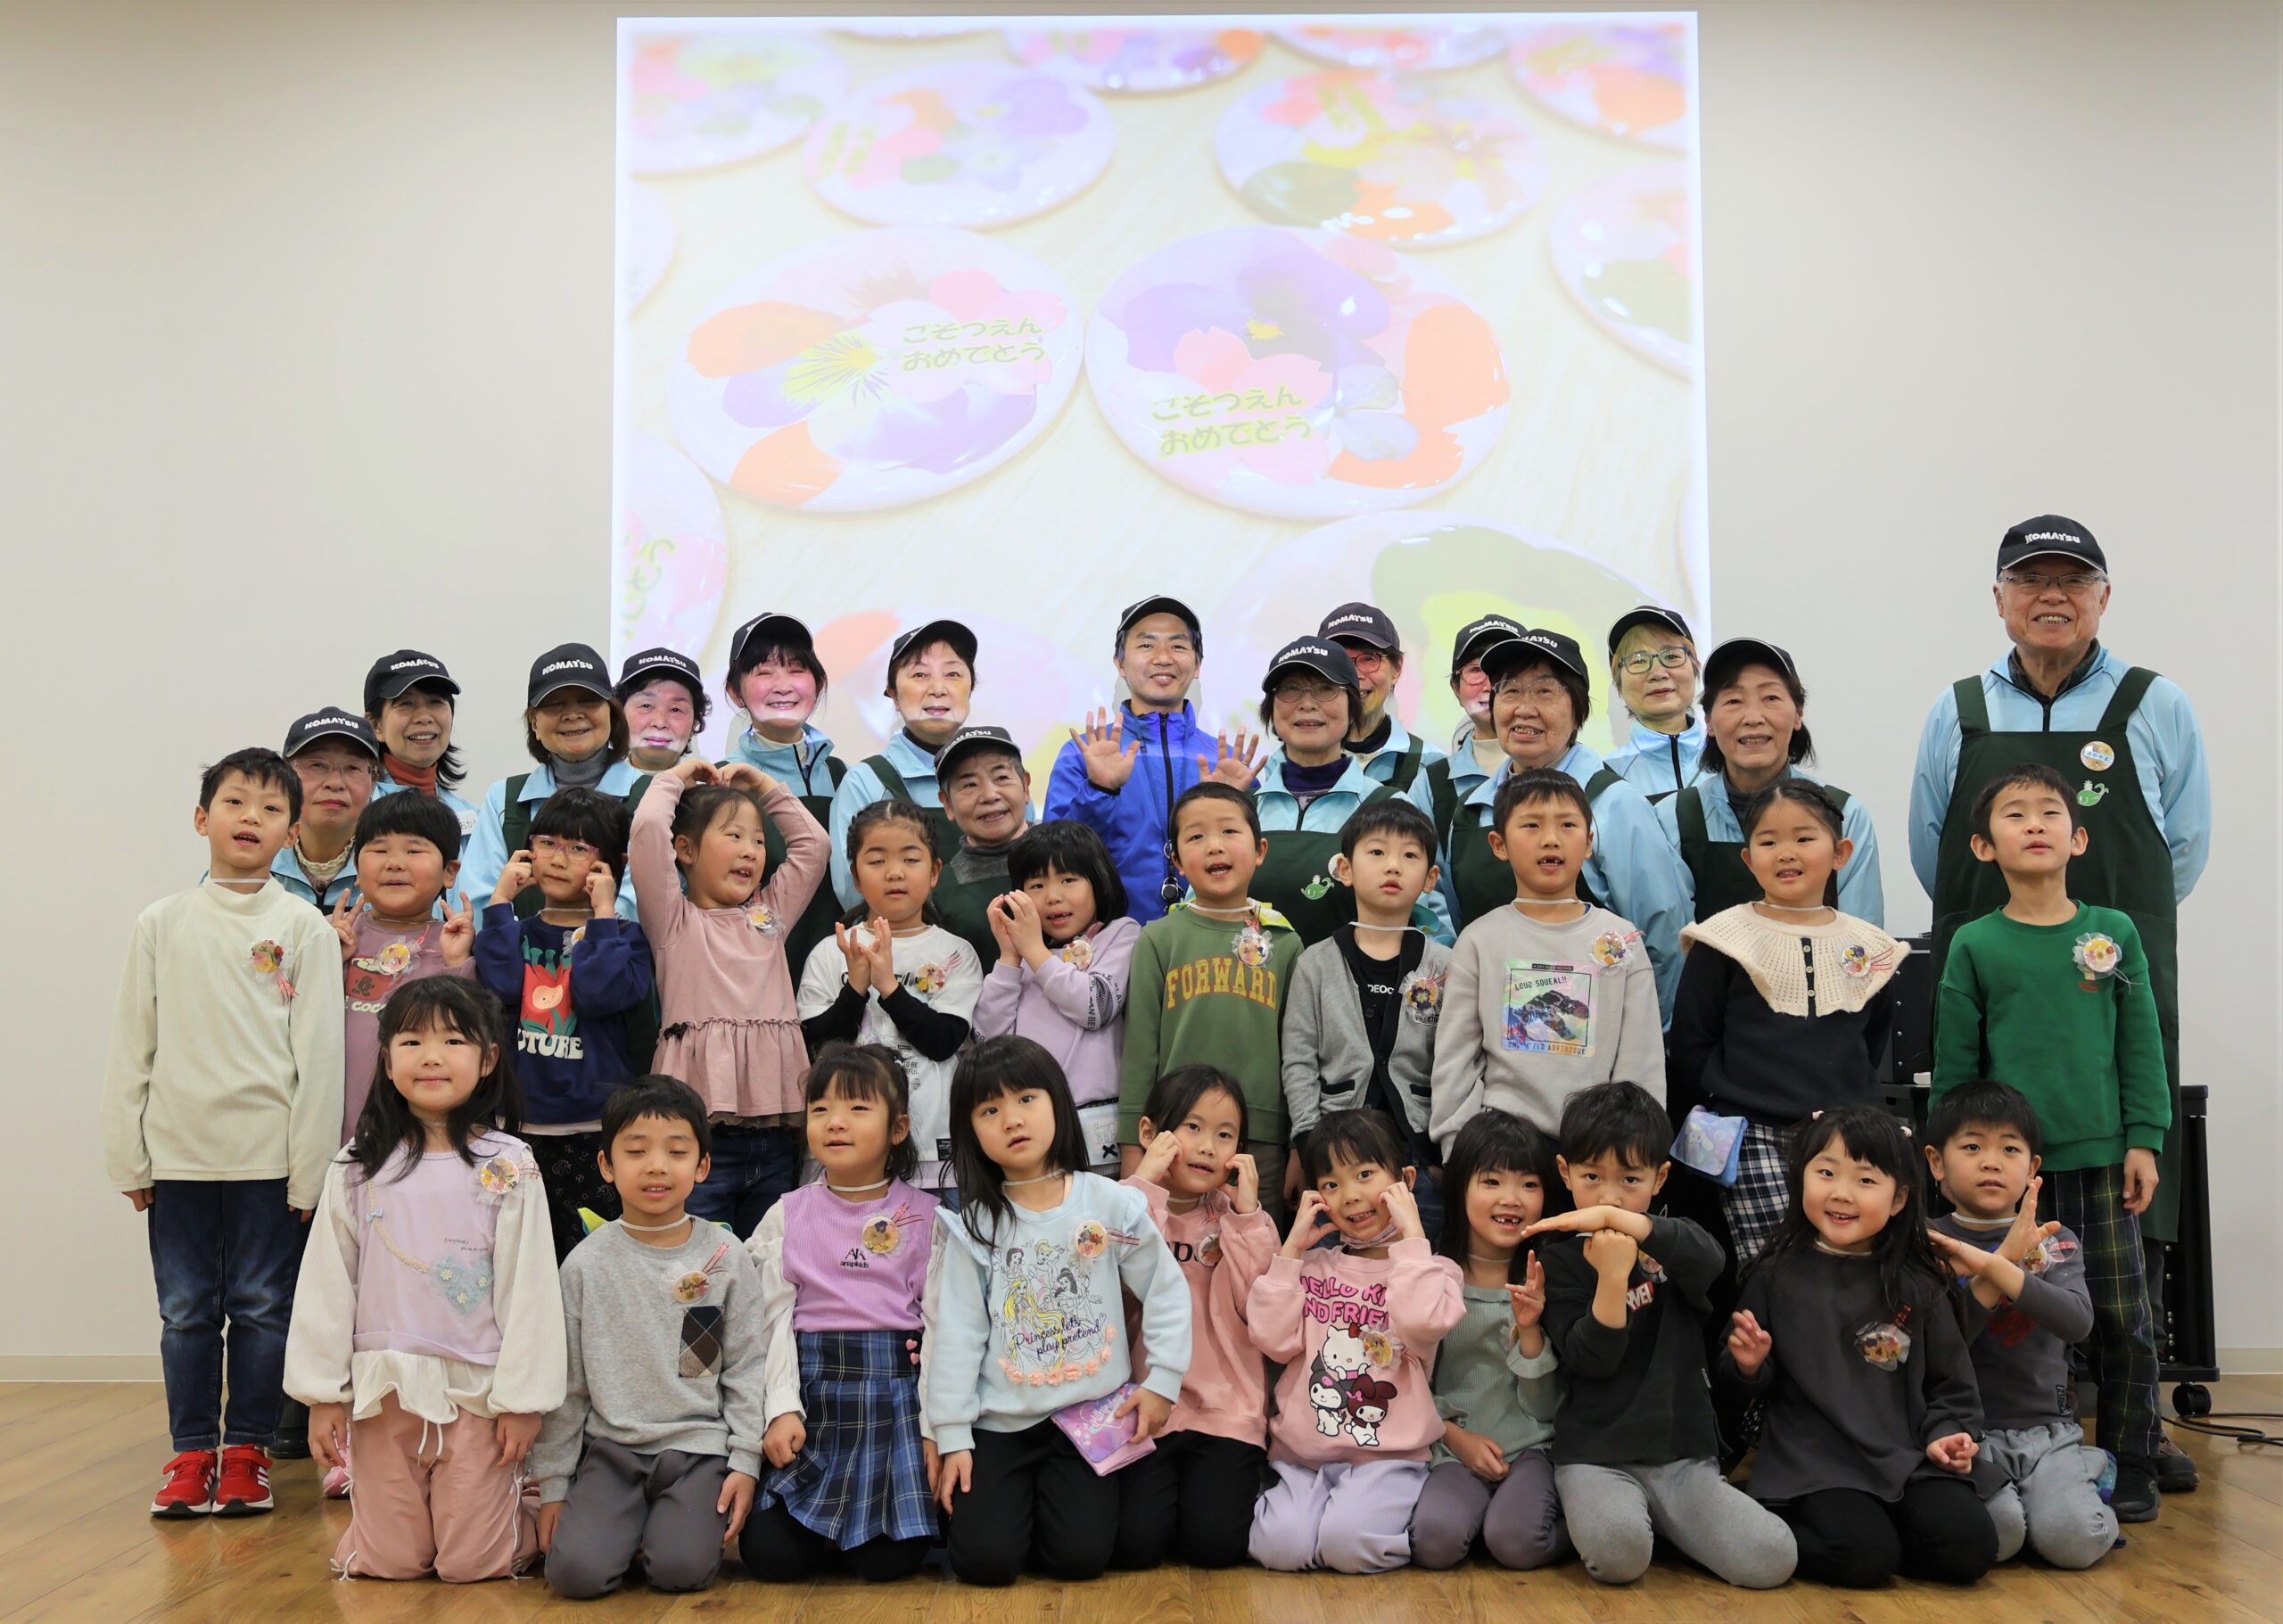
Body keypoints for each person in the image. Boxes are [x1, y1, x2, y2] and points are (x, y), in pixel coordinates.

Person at [1909, 515, 2207, 1460]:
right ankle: (2008, 1425)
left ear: (2102, 597)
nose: (2051, 596)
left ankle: (2133, 1439)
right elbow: (1928, 846)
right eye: (2029, 579)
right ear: (1998, 598)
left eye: (2071, 580)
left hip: (2108, 1004)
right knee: (1991, 1246)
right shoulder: (1957, 709)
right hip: (2001, 1024)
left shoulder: (2156, 703)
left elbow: (2183, 847)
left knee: (2122, 1261)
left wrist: (2103, 923)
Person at [104, 748, 345, 1517]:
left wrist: (309, 1170)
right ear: (201, 818)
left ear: (291, 832)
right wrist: (128, 1154)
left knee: (262, 1308)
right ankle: (189, 1453)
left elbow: (319, 1058)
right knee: (185, 1311)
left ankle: (245, 1452)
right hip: (177, 1158)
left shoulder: (302, 927)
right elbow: (133, 1045)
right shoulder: (162, 922)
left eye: (271, 809)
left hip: (268, 1161)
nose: (251, 818)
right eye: (235, 802)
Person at [1930, 762, 2169, 1521]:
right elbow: (1956, 1065)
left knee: (2123, 1315)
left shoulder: (2113, 931)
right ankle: (2003, 1443)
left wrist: (2144, 1137)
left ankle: (2133, 1455)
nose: (2034, 823)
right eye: (2014, 813)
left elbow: (2141, 1042)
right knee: (2007, 1315)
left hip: (2101, 1160)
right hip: (2005, 1174)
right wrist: (1951, 1157)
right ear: (1983, 845)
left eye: (2049, 812)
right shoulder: (1975, 942)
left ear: (2079, 837)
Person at [284, 977, 565, 1580]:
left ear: (488, 1059)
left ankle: (518, 1498)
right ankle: (400, 1514)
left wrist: (523, 1403)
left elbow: (532, 1289)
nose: (431, 1057)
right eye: (412, 1041)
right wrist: (323, 1394)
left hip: (477, 1394)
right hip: (384, 1392)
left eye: (454, 1041)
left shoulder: (509, 1164)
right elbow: (327, 1285)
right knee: (387, 1563)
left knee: (472, 1564)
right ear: (387, 1062)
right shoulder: (356, 1166)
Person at [927, 1037, 1191, 1587]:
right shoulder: (976, 1225)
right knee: (983, 1563)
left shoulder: (1109, 1203)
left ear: (1057, 1103)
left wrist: (1163, 1382)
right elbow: (957, 1335)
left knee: (1081, 1559)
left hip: (1087, 1419)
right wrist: (953, 1435)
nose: (1011, 1120)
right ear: (969, 1130)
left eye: (1026, 1099)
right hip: (999, 1425)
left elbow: (1165, 1290)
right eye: (989, 1110)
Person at [1527, 1083, 1795, 1590]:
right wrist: (1612, 1278)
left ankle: (1666, 1522)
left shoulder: (1673, 1242)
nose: (1610, 1197)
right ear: (1565, 1173)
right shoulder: (1557, 1261)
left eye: (1630, 1179)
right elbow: (1592, 1359)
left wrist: (1623, 1222)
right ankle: (1634, 1519)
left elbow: (1711, 1261)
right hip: (1595, 1456)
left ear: (1660, 1178)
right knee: (1619, 1553)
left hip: (1683, 1456)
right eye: (1592, 1177)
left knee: (1772, 1557)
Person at [1722, 1107, 1998, 1587]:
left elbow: (1952, 1387)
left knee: (1970, 1548)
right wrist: (1749, 1366)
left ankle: (1883, 1534)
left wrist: (1948, 1435)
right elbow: (1732, 1384)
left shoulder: (1918, 1284)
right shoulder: (1774, 1275)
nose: (1841, 1193)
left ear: (1899, 1199)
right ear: (1801, 1178)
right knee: (1863, 1557)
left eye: (1866, 1180)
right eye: (1826, 1173)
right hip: (1814, 1464)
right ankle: (1764, 1515)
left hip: (1905, 1457)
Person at [532, 1076, 767, 1600]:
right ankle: (622, 1528)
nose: (656, 1166)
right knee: (575, 1574)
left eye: (676, 1152)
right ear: (606, 1165)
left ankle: (658, 1531)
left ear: (702, 1166)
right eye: (636, 1152)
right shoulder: (585, 1265)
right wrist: (553, 1487)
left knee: (680, 1570)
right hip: (611, 1452)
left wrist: (745, 1460)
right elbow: (569, 1386)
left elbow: (747, 1366)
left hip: (700, 1452)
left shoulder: (726, 1258)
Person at [1665, 779, 1906, 1270]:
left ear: (1840, 853)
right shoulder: (1722, 939)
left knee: (1852, 1263)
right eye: (1768, 841)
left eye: (1804, 837)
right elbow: (1692, 1041)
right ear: (1748, 859)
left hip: (1848, 1138)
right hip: (1752, 1137)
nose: (1786, 853)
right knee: (1772, 1269)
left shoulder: (1869, 945)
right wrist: (1734, 1095)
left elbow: (1871, 1036)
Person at [741, 1045, 943, 1583]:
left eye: (857, 1108)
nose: (835, 1122)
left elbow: (943, 1330)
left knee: (890, 1564)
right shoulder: (788, 1213)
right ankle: (825, 1529)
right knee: (770, 1557)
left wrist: (932, 1429)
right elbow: (770, 1323)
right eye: (821, 1109)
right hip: (814, 1402)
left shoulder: (929, 1218)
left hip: (894, 1405)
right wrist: (780, 1409)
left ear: (897, 1128)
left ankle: (856, 1532)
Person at [1245, 1109, 1464, 1574]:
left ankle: (1371, 1519)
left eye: (1365, 1175)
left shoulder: (1434, 1270)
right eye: (1331, 1184)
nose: (1350, 1196)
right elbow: (1271, 1340)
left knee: (1347, 1544)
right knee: (1278, 1547)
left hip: (1387, 1459)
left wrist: (1413, 1236)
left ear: (1405, 1181)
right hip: (1302, 1459)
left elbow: (1422, 1322)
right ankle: (1319, 1516)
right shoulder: (1311, 1268)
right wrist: (1290, 1252)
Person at [1924, 1081, 2120, 1570]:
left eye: (2009, 1149)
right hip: (1965, 1434)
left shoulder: (2053, 1239)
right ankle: (2041, 1497)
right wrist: (2002, 1262)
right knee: (1999, 1537)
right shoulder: (1927, 1243)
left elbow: (2077, 1323)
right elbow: (1940, 1346)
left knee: (2075, 1544)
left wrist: (1999, 1265)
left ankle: (2089, 1469)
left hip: (2046, 1432)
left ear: (2032, 1168)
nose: (1991, 1162)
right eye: (1972, 1147)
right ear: (1936, 1162)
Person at [1440, 631, 1687, 1015]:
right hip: (1493, 1038)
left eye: (1545, 691)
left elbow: (1662, 938)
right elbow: (1460, 930)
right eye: (1510, 691)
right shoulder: (1472, 810)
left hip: (1601, 1035)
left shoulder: (1611, 803)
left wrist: (1652, 1037)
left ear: (1577, 712)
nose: (1524, 709)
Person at [631, 759, 828, 1238]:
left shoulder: (769, 916)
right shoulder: (673, 920)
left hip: (774, 1136)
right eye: (734, 836)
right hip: (701, 1140)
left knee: (769, 1260)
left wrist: (764, 785)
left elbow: (813, 845)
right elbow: (648, 829)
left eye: (758, 841)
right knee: (702, 1262)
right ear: (685, 850)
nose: (750, 851)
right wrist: (675, 777)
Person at [1429, 769, 1665, 1157]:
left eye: (1568, 825)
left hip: (1597, 1152)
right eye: (1531, 825)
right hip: (1500, 1150)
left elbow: (1642, 1062)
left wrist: (1629, 1154)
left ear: (1588, 842)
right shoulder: (1479, 939)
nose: (1551, 839)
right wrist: (1459, 1150)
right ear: (1499, 844)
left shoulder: (1621, 940)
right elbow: (1456, 1058)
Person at [472, 787, 655, 1259]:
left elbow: (598, 993)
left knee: (588, 1257)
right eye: (547, 843)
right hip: (515, 1126)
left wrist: (603, 914)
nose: (557, 858)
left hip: (592, 1129)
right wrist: (500, 900)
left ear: (610, 865)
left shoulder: (625, 938)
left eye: (578, 848)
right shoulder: (514, 930)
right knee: (516, 1256)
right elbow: (501, 986)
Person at [1115, 1066, 1277, 1570]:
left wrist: (1247, 1217)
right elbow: (1110, 1285)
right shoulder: (1123, 1207)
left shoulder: (1243, 1219)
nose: (1208, 1147)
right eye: (1192, 1127)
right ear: (1149, 1132)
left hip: (1227, 1413)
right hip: (1145, 1409)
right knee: (1135, 1545)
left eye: (1225, 1135)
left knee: (1214, 1547)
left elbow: (1263, 1311)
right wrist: (1144, 1189)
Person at [1117, 784, 1302, 1218]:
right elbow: (1139, 1050)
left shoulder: (1287, 942)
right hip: (1174, 1134)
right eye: (1196, 836)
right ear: (1177, 861)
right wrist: (1132, 1146)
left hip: (1258, 1139)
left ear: (1259, 850)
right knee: (1169, 1246)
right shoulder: (1158, 938)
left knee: (1251, 1245)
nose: (1214, 846)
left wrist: (1298, 1146)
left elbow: (1299, 1054)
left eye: (1229, 831)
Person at [1281, 799, 1450, 1241]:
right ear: (1345, 869)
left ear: (1431, 878)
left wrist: (1444, 1154)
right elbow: (1299, 1061)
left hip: (1419, 1159)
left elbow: (1455, 1063)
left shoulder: (1445, 965)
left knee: (1419, 1268)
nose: (1393, 866)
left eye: (1410, 855)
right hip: (1335, 1164)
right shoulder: (1315, 963)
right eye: (1377, 852)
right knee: (1334, 1272)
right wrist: (1306, 1144)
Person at [799, 799, 985, 1197]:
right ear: (856, 875)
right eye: (877, 860)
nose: (895, 873)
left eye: (911, 859)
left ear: (935, 872)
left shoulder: (956, 953)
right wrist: (855, 989)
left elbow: (943, 1042)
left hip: (935, 1158)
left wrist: (889, 987)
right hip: (845, 1158)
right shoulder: (830, 953)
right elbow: (818, 1048)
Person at [1410, 1109, 1568, 1573]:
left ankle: (1572, 1527)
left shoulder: (1554, 1278)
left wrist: (1531, 1329)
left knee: (1516, 1542)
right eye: (1492, 1182)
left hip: (1534, 1450)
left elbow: (1546, 1409)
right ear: (1460, 1188)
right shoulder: (1433, 1277)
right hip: (1452, 1449)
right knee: (1434, 1542)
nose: (1511, 1199)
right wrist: (1456, 1439)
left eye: (1529, 1184)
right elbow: (1409, 1387)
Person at [1657, 637, 1884, 926]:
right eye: (1734, 701)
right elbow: (1671, 939)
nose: (1753, 718)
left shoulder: (1844, 815)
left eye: (1771, 698)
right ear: (1710, 722)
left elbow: (1860, 939)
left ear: (1798, 715)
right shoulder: (1673, 819)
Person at [1045, 595, 1237, 925]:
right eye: (1146, 645)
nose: (1163, 658)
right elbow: (1056, 859)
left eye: (1178, 646)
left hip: (1208, 935)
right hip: (1107, 939)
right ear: (1120, 663)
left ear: (1197, 665)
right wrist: (1100, 790)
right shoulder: (1082, 753)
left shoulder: (1226, 760)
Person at [1251, 636, 1447, 945]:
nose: (1307, 703)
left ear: (1353, 705)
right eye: (1290, 689)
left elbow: (1425, 923)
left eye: (1325, 689)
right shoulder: (1244, 811)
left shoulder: (1388, 807)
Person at [974, 820, 1139, 1175]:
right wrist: (1009, 958)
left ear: (1099, 881)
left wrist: (1034, 951)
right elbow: (988, 1042)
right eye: (1036, 885)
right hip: (1030, 1134)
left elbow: (1097, 1008)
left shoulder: (1120, 934)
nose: (1052, 896)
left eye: (1068, 880)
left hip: (1100, 1138)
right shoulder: (1025, 955)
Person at [462, 643, 648, 927]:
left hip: (621, 954)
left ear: (612, 713)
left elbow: (650, 900)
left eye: (588, 701)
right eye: (554, 704)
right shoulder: (504, 798)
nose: (572, 714)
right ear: (534, 723)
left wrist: (592, 940)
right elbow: (479, 900)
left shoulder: (651, 797)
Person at [334, 792, 478, 1141]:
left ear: (449, 872)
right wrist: (328, 961)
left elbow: (466, 1038)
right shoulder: (329, 936)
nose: (395, 863)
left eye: (414, 851)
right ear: (356, 869)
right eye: (379, 850)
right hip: (331, 1138)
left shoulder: (455, 945)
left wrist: (456, 964)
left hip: (422, 1143)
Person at [721, 611, 848, 985]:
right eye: (763, 672)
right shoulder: (724, 781)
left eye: (796, 670)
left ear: (817, 683)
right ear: (735, 692)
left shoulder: (841, 775)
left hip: (839, 973)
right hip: (755, 973)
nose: (782, 686)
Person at [828, 619, 977, 907]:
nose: (938, 688)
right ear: (893, 694)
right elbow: (853, 895)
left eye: (953, 674)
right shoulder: (866, 782)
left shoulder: (1000, 778)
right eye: (919, 674)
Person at [930, 726, 1035, 973]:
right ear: (947, 804)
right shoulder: (938, 890)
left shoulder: (1068, 860)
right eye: (969, 784)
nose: (989, 795)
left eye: (1001, 778)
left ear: (1026, 786)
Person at [1318, 601, 1446, 784]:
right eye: (1340, 660)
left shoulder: (1432, 766)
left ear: (1397, 669)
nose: (1355, 675)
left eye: (1369, 659)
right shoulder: (1289, 765)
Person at [364, 648, 477, 846]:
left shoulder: (475, 818)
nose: (424, 717)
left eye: (436, 702)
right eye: (406, 703)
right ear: (376, 725)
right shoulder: (355, 811)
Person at [273, 708, 383, 910]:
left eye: (353, 767)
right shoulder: (258, 863)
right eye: (317, 765)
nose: (335, 783)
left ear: (373, 781)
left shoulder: (392, 870)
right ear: (286, 776)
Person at [1430, 614, 1525, 841]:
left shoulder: (1564, 768)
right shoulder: (1432, 784)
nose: (1489, 684)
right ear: (1456, 688)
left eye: (1505, 669)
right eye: (1476, 670)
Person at [1601, 606, 1703, 803]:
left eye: (1671, 656)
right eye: (1638, 660)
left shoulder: (1731, 761)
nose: (1658, 673)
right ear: (1618, 680)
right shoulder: (1602, 778)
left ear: (1694, 667)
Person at [617, 646, 709, 773]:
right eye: (646, 706)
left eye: (675, 709)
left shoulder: (713, 784)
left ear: (694, 723)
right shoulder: (598, 783)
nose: (660, 723)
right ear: (620, 714)